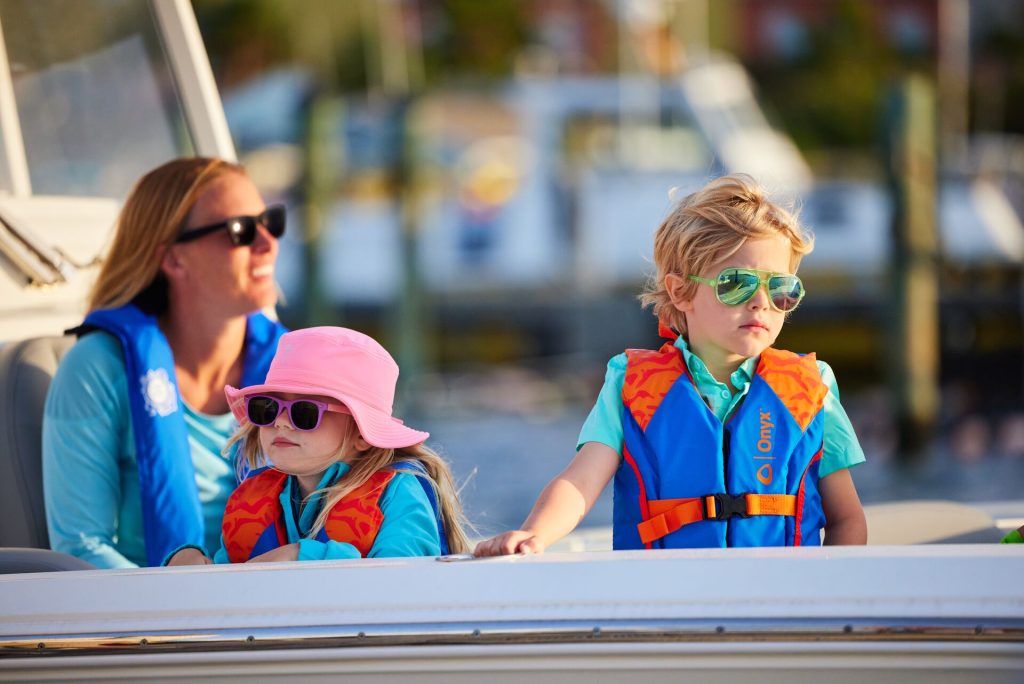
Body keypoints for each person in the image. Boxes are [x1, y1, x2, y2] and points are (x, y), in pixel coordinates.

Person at [475, 173, 868, 556]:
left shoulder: (812, 386)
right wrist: (533, 533)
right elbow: (580, 482)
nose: (761, 301)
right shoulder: (631, 385)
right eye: (738, 283)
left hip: (779, 603)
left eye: (780, 287)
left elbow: (847, 519)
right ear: (681, 292)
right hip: (668, 598)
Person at [42, 157, 288, 568]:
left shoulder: (297, 371)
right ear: (174, 260)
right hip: (152, 624)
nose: (268, 243)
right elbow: (80, 549)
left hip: (282, 615)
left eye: (271, 221)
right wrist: (179, 607)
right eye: (241, 231)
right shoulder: (96, 371)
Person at [165, 326, 469, 564]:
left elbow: (405, 584)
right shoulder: (253, 498)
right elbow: (228, 592)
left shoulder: (399, 492)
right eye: (266, 408)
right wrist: (192, 562)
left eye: (305, 412)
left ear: (363, 434)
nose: (280, 423)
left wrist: (303, 557)